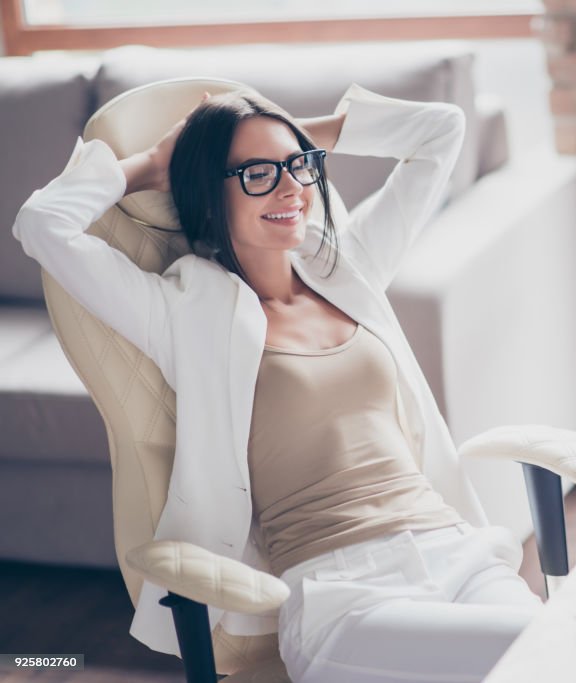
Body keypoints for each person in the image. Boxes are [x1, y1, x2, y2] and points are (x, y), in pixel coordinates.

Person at [13, 82, 541, 683]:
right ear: (208, 189)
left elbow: (441, 129)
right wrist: (155, 165)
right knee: (536, 660)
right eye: (258, 174)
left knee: (575, 652)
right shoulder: (182, 312)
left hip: (459, 555)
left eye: (300, 169)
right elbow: (44, 223)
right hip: (344, 596)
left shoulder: (348, 267)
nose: (292, 188)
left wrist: (287, 141)